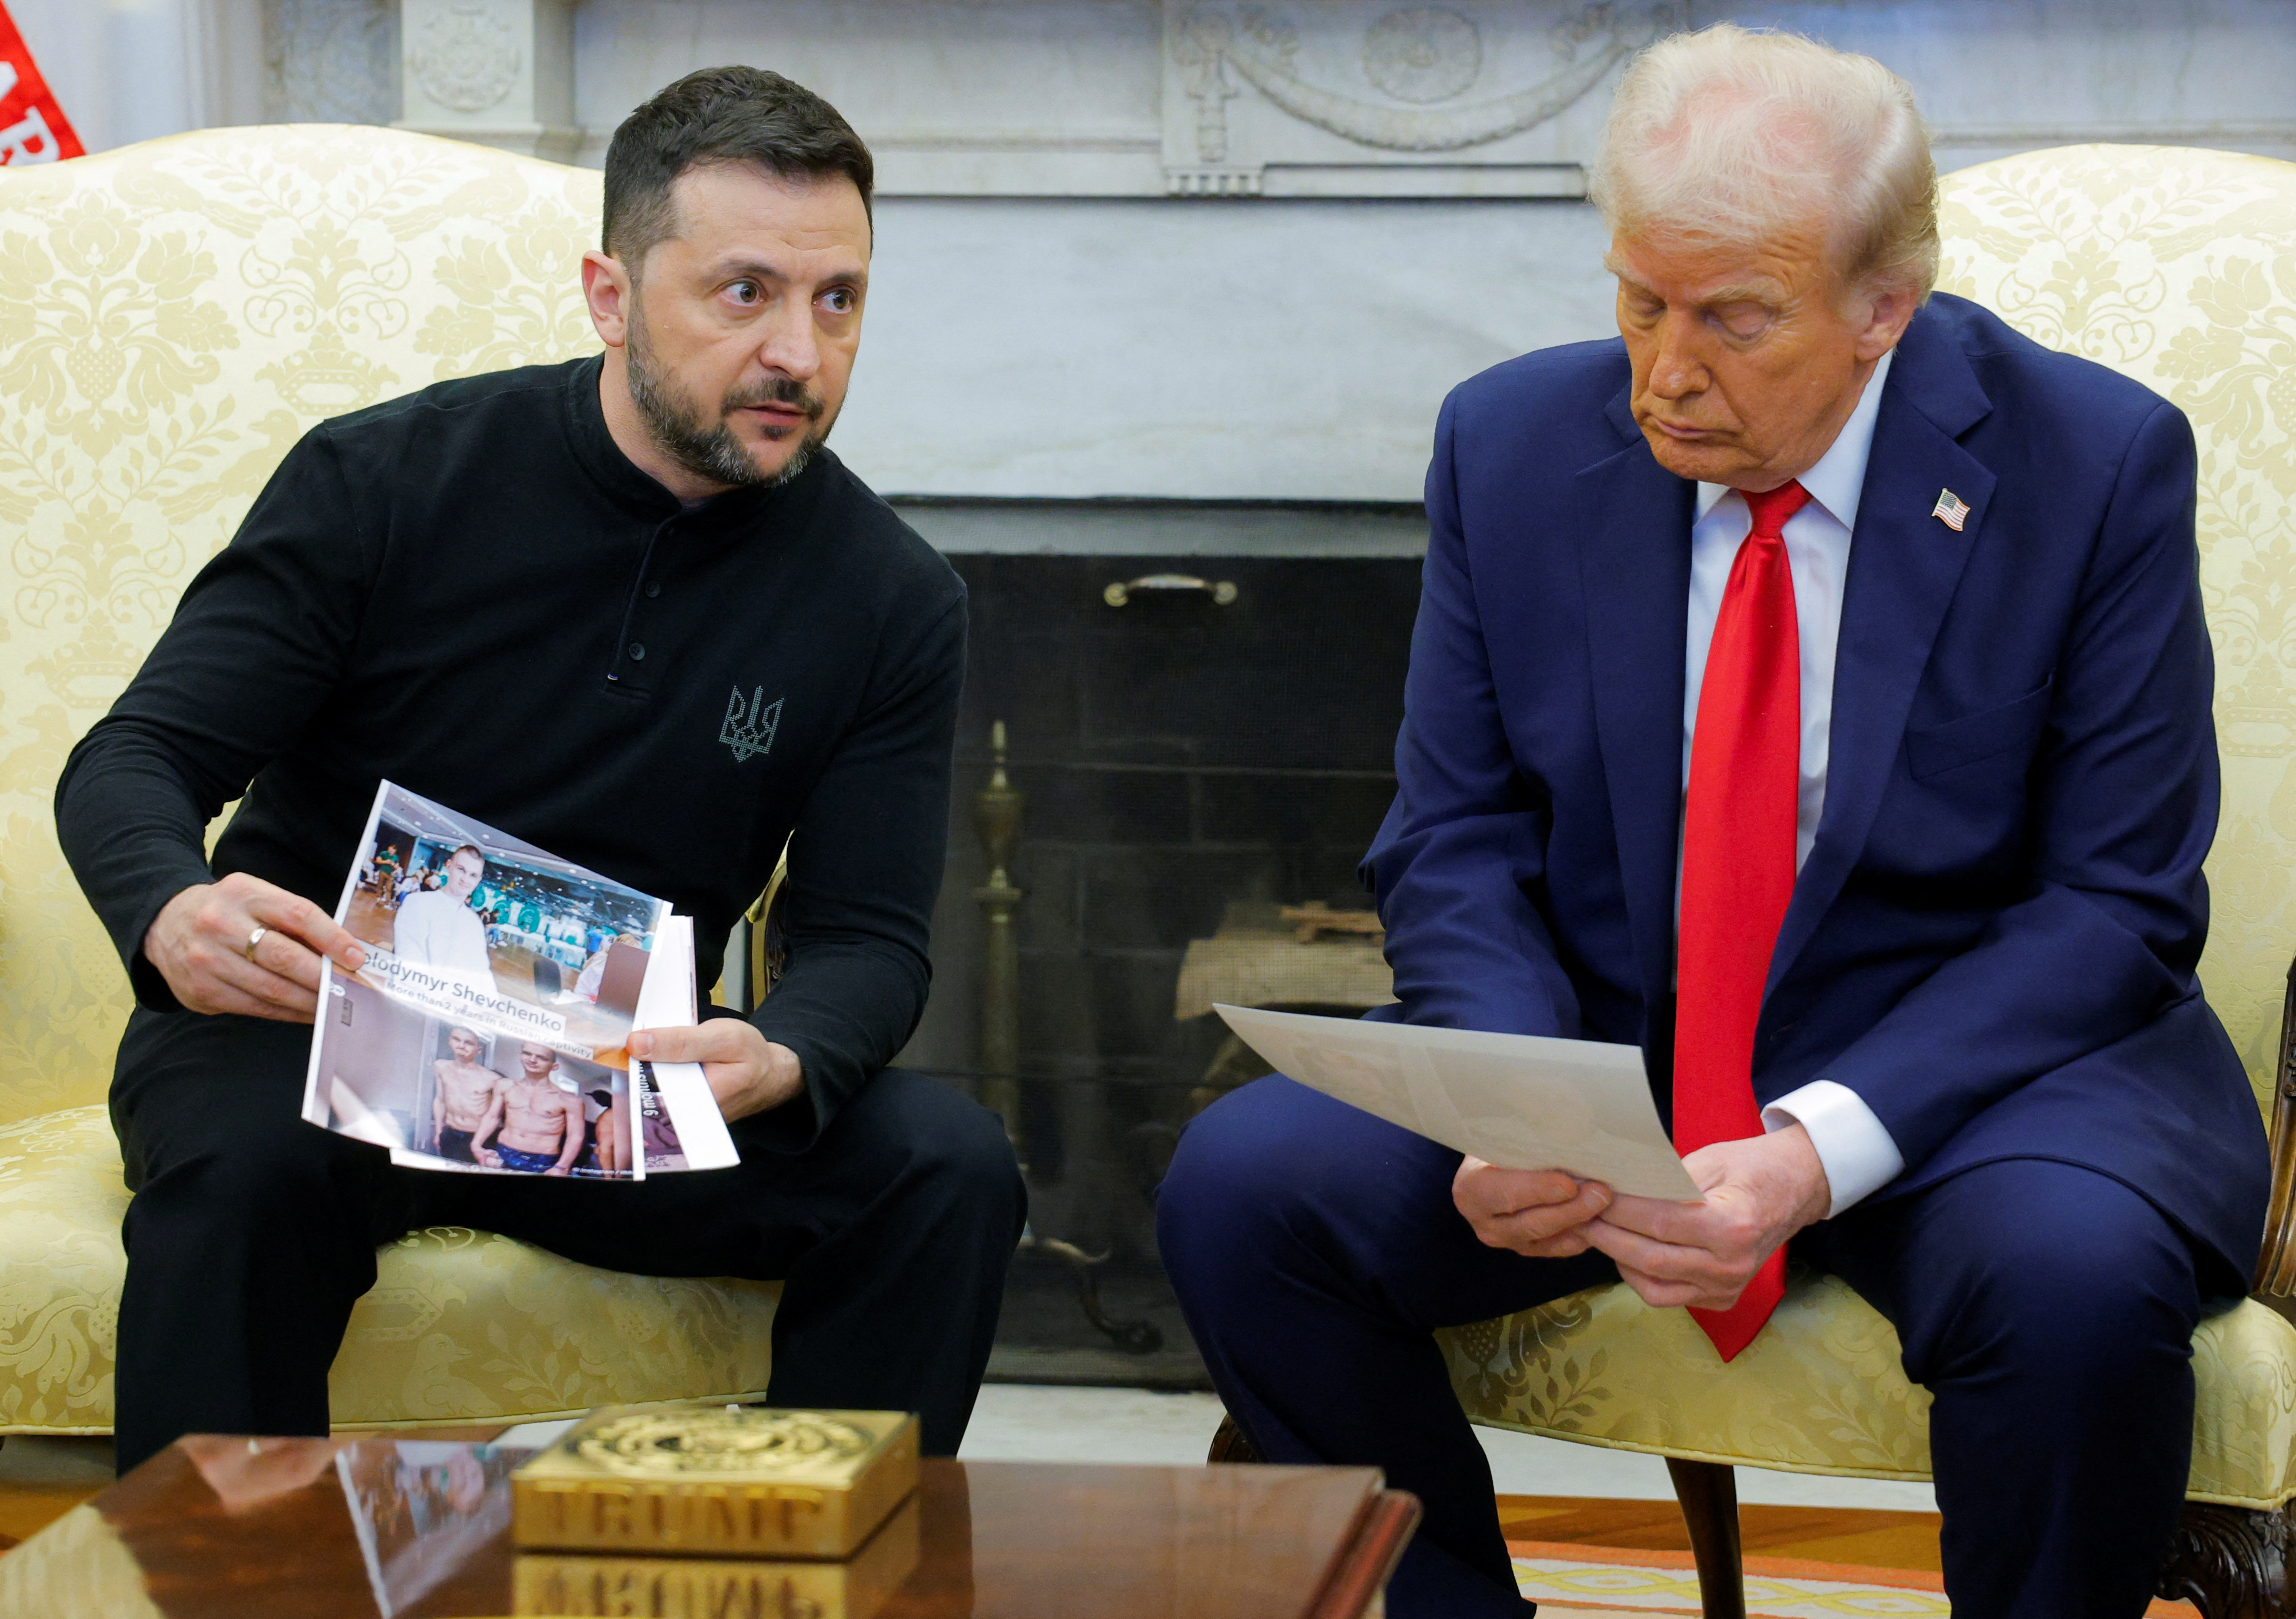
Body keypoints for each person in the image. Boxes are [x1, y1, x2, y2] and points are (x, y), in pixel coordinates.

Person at [1156, 25, 2270, 1619]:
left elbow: (2111, 900)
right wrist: (1515, 1096)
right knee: (1242, 1184)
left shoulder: (2085, 464)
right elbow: (1451, 831)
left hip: (1960, 1075)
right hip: (1613, 1062)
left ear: (1881, 309)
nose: (1662, 370)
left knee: (2070, 1281)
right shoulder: (1509, 443)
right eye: (1635, 298)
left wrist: (1812, 1148)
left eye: (1732, 318)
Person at [56, 65, 1024, 1473]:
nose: (800, 356)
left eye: (838, 300)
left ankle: (818, 1577)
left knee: (944, 1165)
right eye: (742, 293)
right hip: (312, 1037)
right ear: (611, 294)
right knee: (245, 1175)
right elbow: (136, 754)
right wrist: (169, 904)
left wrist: (790, 1045)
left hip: (609, 1071)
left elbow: (867, 936)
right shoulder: (387, 480)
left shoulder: (888, 597)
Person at [470, 1045, 586, 1176]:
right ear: (520, 1056)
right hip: (504, 1152)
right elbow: (492, 1117)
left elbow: (575, 1136)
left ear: (554, 1066)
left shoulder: (569, 1100)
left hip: (541, 1160)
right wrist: (476, 1145)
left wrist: (562, 1166)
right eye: (527, 1054)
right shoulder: (505, 1086)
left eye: (541, 1058)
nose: (532, 1060)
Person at [391, 844, 494, 977]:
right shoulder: (418, 902)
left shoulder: (474, 924)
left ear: (479, 880)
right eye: (461, 869)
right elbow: (409, 959)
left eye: (473, 875)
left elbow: (481, 971)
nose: (465, 879)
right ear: (449, 866)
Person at [428, 1025, 504, 1164]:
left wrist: (478, 1143)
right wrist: (439, 1131)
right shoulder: (440, 1067)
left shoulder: (493, 1079)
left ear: (479, 1050)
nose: (462, 1046)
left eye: (468, 1043)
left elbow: (494, 1115)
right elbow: (440, 1100)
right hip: (450, 1133)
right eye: (457, 1040)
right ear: (450, 1041)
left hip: (479, 1137)